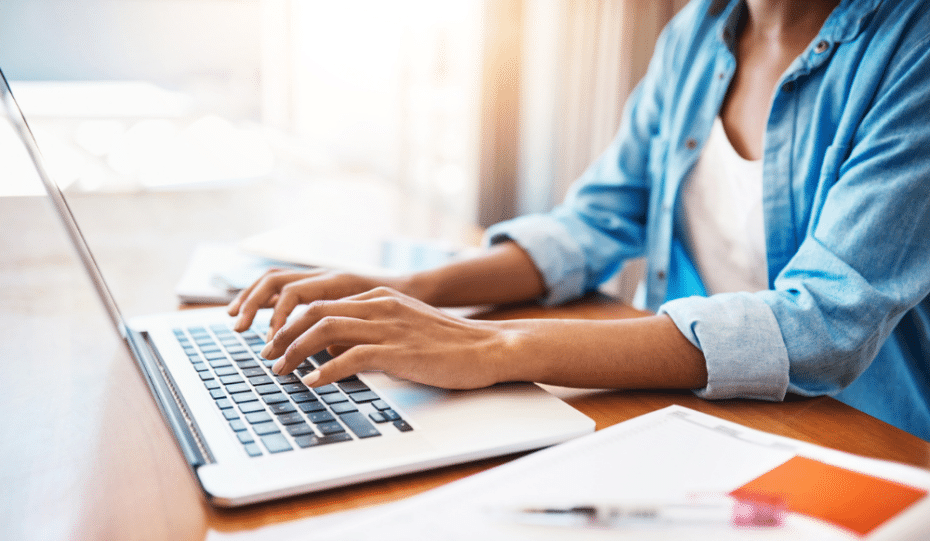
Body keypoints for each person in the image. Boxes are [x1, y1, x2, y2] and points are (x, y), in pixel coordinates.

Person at [229, 0, 930, 441]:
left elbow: (824, 324)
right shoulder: (695, 32)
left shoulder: (913, 48)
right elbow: (596, 220)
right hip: (699, 416)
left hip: (865, 441)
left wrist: (493, 348)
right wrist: (413, 290)